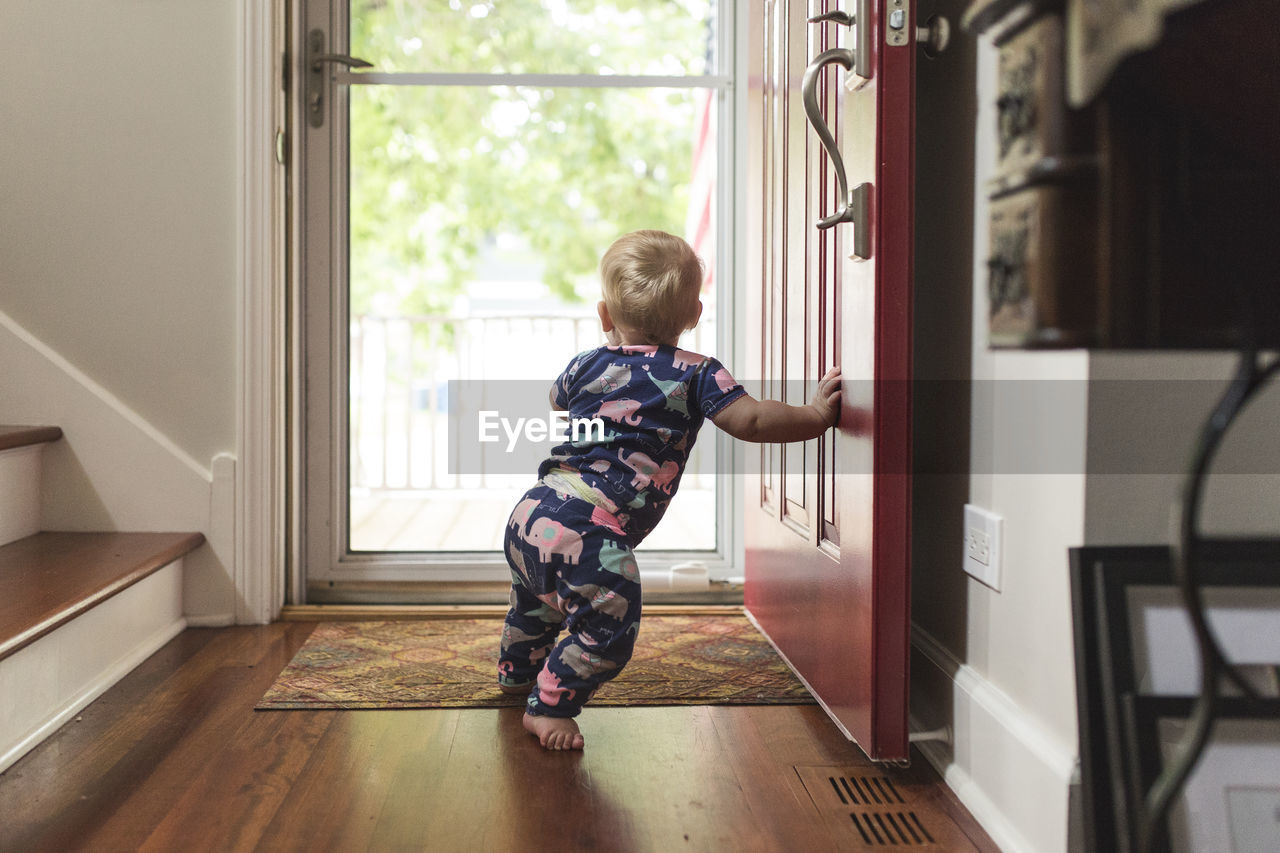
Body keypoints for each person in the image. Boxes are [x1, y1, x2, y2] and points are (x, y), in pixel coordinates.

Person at [500, 230, 842, 750]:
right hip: (584, 527)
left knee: (538, 599)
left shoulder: (584, 364)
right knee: (611, 622)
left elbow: (557, 401)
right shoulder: (697, 374)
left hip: (533, 510)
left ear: (605, 315)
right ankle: (549, 706)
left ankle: (516, 670)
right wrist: (816, 415)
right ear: (694, 313)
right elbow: (750, 420)